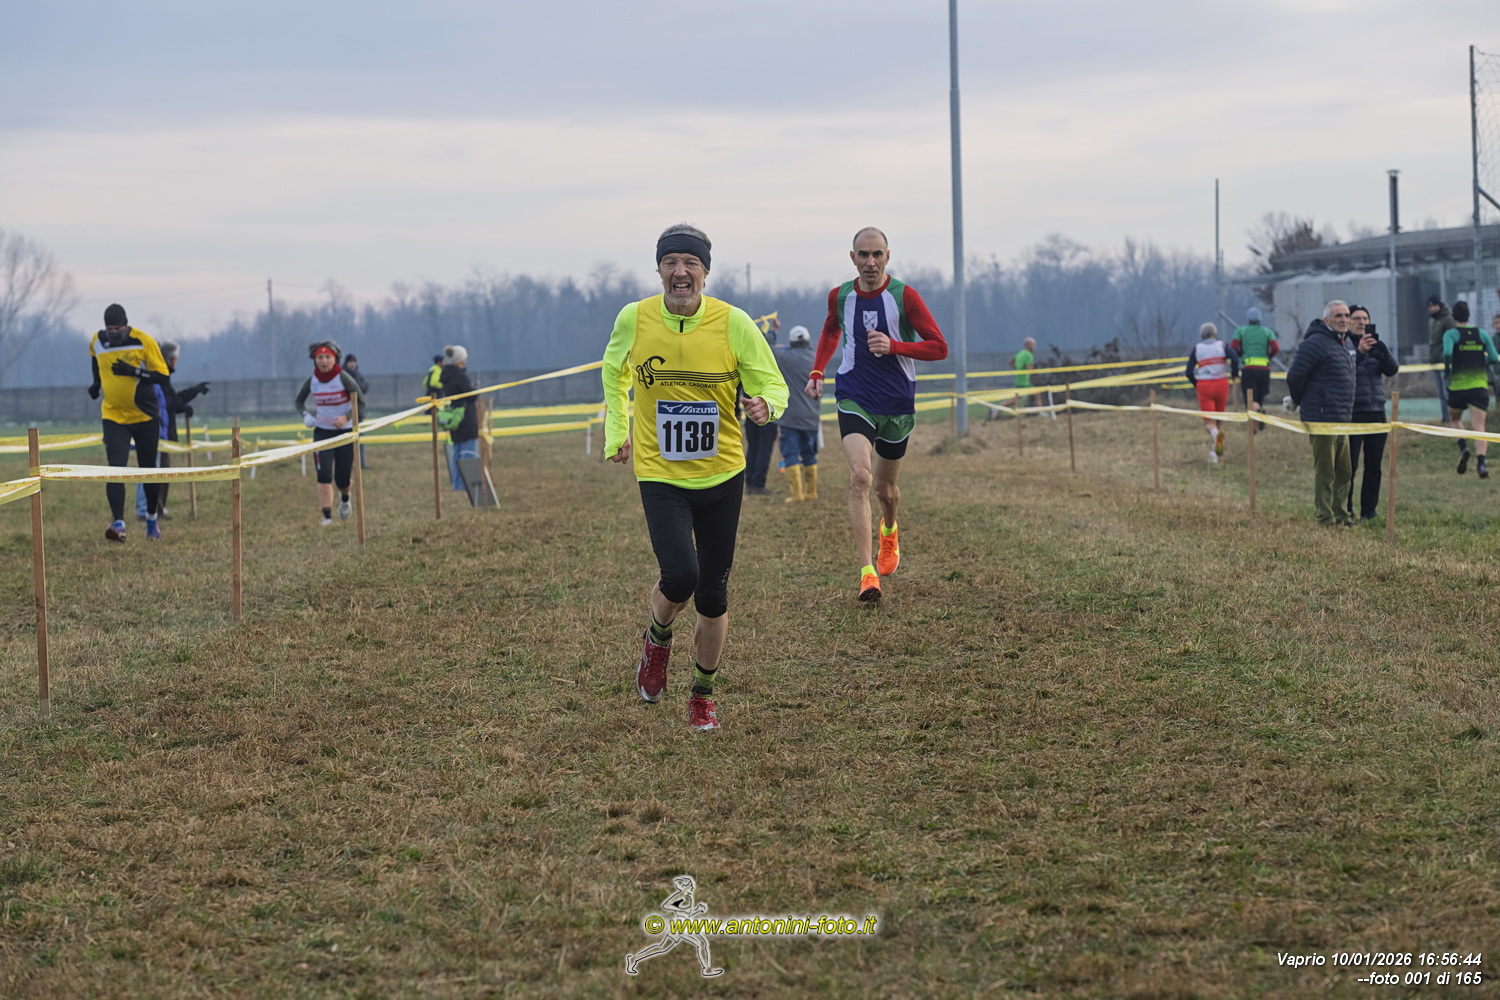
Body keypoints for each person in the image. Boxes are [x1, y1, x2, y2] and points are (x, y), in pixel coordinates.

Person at [602, 223, 788, 732]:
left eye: (691, 263)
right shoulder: (634, 318)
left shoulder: (734, 322)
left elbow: (772, 383)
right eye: (671, 262)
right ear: (659, 269)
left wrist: (765, 405)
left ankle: (702, 695)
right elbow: (614, 372)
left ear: (705, 272)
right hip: (660, 473)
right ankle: (657, 641)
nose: (680, 272)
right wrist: (618, 430)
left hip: (722, 473)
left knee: (713, 592)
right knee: (680, 576)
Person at [807, 226, 949, 602]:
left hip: (897, 403)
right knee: (860, 477)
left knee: (886, 490)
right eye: (863, 254)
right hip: (854, 395)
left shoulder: (904, 296)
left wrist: (895, 346)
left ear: (888, 257)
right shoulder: (840, 296)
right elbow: (831, 330)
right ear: (852, 257)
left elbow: (939, 348)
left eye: (877, 254)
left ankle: (889, 530)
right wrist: (818, 369)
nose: (870, 262)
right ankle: (867, 573)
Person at [88, 303, 171, 542]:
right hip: (113, 415)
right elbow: (95, 360)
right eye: (110, 329)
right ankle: (118, 524)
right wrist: (96, 384)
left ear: (126, 325)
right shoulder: (97, 341)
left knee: (147, 470)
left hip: (144, 416)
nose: (113, 333)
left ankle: (152, 519)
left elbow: (163, 377)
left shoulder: (143, 341)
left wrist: (133, 371)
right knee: (115, 467)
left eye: (118, 329)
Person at [1286, 300, 1358, 526]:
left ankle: (1341, 514)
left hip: (1342, 417)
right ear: (1327, 320)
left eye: (1346, 315)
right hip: (1321, 417)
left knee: (1345, 471)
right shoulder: (1315, 343)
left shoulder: (1346, 343)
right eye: (1338, 316)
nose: (1344, 320)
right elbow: (1295, 376)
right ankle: (1325, 517)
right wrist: (1298, 400)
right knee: (1326, 471)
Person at [134, 341, 209, 520]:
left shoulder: (162, 378)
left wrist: (188, 399)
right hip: (155, 432)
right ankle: (146, 510)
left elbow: (171, 401)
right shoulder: (156, 378)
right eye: (175, 358)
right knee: (152, 471)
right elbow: (170, 403)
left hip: (163, 433)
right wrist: (189, 397)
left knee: (162, 471)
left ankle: (157, 509)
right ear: (171, 359)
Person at [294, 340, 365, 526]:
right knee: (323, 475)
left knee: (342, 479)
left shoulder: (343, 378)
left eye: (327, 357)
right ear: (314, 360)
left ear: (335, 359)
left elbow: (361, 402)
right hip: (322, 433)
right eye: (320, 357)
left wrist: (346, 416)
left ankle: (345, 497)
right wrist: (305, 415)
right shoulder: (312, 380)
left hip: (344, 433)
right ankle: (326, 517)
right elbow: (299, 401)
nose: (324, 361)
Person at [1346, 305, 1399, 520]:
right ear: (1348, 322)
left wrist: (1382, 352)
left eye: (1365, 319)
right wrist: (1359, 353)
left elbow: (1392, 370)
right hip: (1353, 412)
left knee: (1374, 465)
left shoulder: (1376, 345)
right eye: (1357, 318)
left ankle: (1369, 512)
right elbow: (1343, 369)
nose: (1362, 322)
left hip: (1376, 410)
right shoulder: (1343, 345)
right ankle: (1346, 509)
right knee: (1349, 465)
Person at [1443, 300, 1500, 479]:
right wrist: (1481, 361)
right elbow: (1494, 357)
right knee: (1479, 427)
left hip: (1458, 387)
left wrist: (1447, 370)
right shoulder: (1481, 333)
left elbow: (1447, 353)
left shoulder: (1451, 334)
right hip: (1479, 387)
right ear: (1469, 315)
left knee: (1454, 418)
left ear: (1453, 317)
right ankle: (1481, 464)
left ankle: (1463, 448)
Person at [774, 324, 821, 502]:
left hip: (790, 418)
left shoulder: (784, 356)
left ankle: (796, 494)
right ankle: (811, 492)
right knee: (809, 454)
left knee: (790, 454)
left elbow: (767, 348)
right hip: (811, 417)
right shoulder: (816, 358)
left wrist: (772, 334)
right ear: (808, 340)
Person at [1183, 322, 1240, 464]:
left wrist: (1196, 384)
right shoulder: (1223, 346)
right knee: (1219, 421)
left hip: (1204, 386)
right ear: (1215, 333)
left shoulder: (1197, 349)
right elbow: (1234, 358)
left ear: (1202, 335)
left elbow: (1188, 372)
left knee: (1209, 423)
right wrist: (1234, 374)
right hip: (1221, 384)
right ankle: (1213, 454)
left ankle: (1215, 438)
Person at [742, 317, 780, 495]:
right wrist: (774, 332)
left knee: (753, 445)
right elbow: (769, 346)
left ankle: (749, 480)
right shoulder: (770, 356)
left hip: (749, 406)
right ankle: (758, 484)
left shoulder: (745, 357)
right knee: (765, 446)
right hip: (766, 406)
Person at [437, 344, 480, 492]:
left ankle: (457, 484)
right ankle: (466, 485)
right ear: (461, 360)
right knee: (469, 453)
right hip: (466, 420)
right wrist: (476, 390)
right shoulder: (459, 376)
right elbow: (470, 395)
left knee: (457, 453)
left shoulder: (446, 375)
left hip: (455, 419)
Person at [1231, 307, 1278, 426]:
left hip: (1249, 369)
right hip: (1264, 370)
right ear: (1260, 320)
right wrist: (1268, 357)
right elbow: (1275, 347)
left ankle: (1257, 417)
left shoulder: (1241, 331)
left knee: (1250, 400)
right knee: (1260, 398)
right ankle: (1258, 422)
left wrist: (1240, 355)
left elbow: (1233, 347)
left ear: (1248, 320)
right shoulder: (1267, 332)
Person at [1429, 295, 1463, 454]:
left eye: (1434, 305)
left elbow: (1450, 341)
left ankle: (1452, 419)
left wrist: (1445, 358)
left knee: (1447, 392)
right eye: (1430, 306)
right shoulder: (1432, 321)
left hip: (1445, 362)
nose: (1432, 308)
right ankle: (1445, 418)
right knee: (1441, 394)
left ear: (1439, 305)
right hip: (1435, 361)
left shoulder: (1448, 320)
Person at [344, 353, 372, 469]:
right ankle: (348, 464)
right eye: (350, 362)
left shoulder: (357, 374)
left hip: (358, 413)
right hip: (346, 414)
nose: (352, 364)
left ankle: (361, 463)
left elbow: (365, 387)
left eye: (354, 362)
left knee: (360, 440)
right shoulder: (343, 375)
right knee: (347, 442)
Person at [1011, 337, 1036, 413]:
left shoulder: (1020, 353)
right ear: (1028, 345)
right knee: (1037, 393)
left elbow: (1011, 362)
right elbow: (1029, 369)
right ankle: (1040, 411)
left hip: (1019, 379)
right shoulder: (1028, 355)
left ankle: (997, 408)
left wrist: (1018, 369)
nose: (1034, 347)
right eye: (1033, 345)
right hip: (1024, 381)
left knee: (1015, 399)